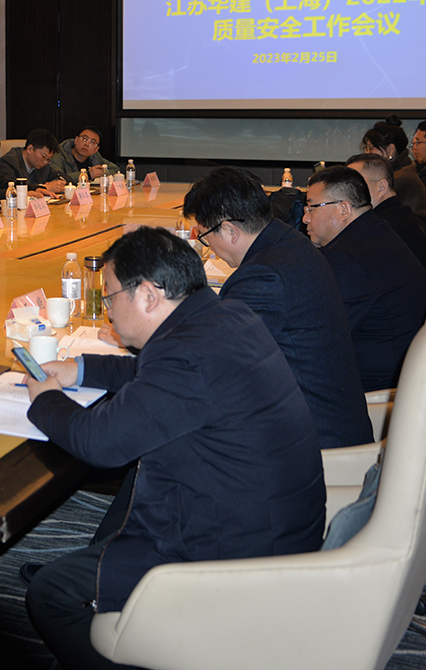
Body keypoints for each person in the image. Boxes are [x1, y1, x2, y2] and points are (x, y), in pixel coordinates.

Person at [22, 227, 325, 670]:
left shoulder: (185, 355)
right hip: (274, 522)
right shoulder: (224, 317)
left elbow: (99, 443)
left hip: (234, 556)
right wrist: (79, 369)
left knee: (51, 593)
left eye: (110, 297)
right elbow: (153, 376)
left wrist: (45, 400)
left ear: (148, 295)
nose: (108, 310)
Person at [181, 167, 371, 449]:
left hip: (311, 444)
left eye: (205, 237)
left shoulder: (264, 275)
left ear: (230, 230)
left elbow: (216, 365)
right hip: (329, 421)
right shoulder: (290, 243)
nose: (208, 245)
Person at [305, 167, 426, 392]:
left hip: (379, 389)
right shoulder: (376, 232)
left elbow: (315, 337)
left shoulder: (348, 258)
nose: (305, 218)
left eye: (311, 208)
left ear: (344, 209)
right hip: (407, 370)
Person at [345, 152, 426, 282]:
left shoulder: (382, 226)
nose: (347, 193)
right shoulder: (398, 215)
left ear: (382, 187)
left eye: (356, 185)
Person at [362, 116, 426, 239]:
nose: (367, 154)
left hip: (416, 237)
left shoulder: (398, 178)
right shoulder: (401, 170)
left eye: (371, 148)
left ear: (390, 149)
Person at [0, 128, 63, 196]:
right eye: (43, 157)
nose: (45, 162)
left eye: (48, 159)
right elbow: (10, 188)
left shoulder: (42, 165)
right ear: (30, 149)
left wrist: (59, 184)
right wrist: (44, 187)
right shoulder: (8, 162)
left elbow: (62, 176)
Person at [49, 125, 121, 185]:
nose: (87, 144)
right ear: (76, 140)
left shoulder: (95, 158)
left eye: (92, 142)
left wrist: (101, 173)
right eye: (84, 139)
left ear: (96, 149)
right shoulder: (58, 155)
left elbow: (115, 169)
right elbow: (58, 179)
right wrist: (87, 175)